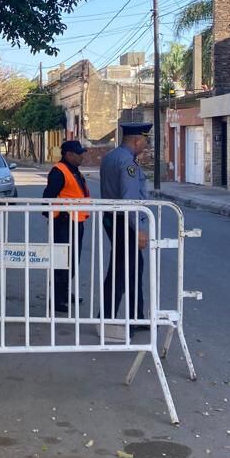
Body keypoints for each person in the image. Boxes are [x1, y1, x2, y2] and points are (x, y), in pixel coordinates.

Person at [98, 122, 152, 340]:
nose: (146, 146)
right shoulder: (127, 162)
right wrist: (138, 229)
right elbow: (130, 199)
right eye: (145, 141)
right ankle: (110, 318)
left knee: (132, 268)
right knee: (122, 271)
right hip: (124, 223)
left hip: (114, 220)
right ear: (137, 140)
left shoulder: (111, 157)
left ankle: (135, 316)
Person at [42, 141, 90, 313]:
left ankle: (64, 293)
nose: (82, 156)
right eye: (79, 153)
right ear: (69, 154)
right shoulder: (59, 171)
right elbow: (47, 197)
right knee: (61, 261)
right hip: (64, 224)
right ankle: (56, 299)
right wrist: (58, 216)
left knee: (72, 262)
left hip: (76, 222)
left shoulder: (74, 171)